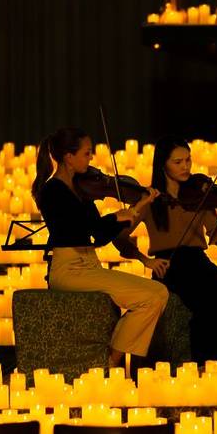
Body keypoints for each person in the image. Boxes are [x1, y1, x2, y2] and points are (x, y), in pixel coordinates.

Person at [31, 126, 169, 369]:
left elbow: (100, 235)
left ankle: (109, 357)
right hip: (69, 270)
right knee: (149, 297)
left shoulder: (81, 189)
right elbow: (76, 231)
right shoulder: (52, 191)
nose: (91, 158)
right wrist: (117, 216)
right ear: (68, 157)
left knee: (158, 293)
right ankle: (111, 362)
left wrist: (138, 208)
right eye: (86, 153)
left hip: (89, 265)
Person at [118, 136, 217, 362]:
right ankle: (208, 367)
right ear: (163, 165)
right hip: (169, 265)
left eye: (188, 160)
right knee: (207, 308)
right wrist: (145, 260)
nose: (185, 166)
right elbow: (119, 236)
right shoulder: (149, 198)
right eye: (178, 162)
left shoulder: (200, 193)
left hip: (198, 261)